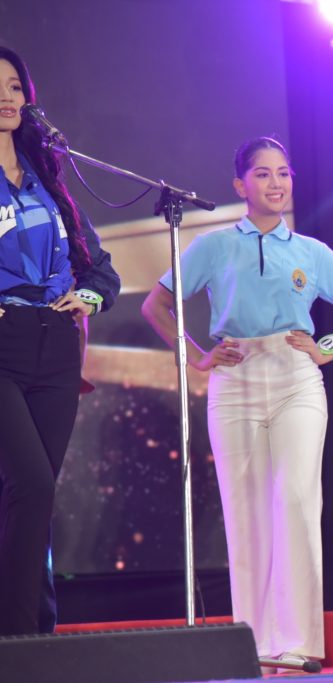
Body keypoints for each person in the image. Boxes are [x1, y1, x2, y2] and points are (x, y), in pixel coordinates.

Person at [141, 136, 333, 667]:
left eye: (284, 173)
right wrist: (197, 356)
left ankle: (299, 645)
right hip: (236, 379)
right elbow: (156, 305)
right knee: (245, 512)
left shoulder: (311, 251)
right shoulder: (213, 245)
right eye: (263, 174)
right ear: (240, 185)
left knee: (296, 501)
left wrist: (329, 348)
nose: (277, 183)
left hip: (296, 375)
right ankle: (253, 647)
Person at [0, 45, 120, 636]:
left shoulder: (47, 178)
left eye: (14, 86)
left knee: (34, 499)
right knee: (29, 483)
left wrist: (89, 298)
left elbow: (101, 270)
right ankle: (21, 639)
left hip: (55, 345)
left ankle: (34, 634)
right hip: (3, 341)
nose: (6, 97)